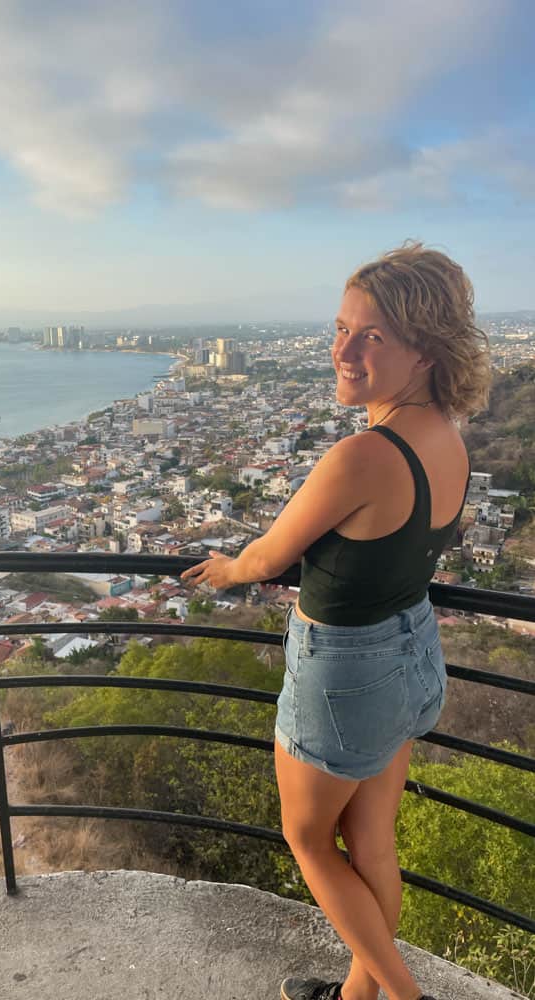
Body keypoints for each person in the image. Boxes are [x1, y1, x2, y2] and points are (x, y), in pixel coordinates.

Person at [181, 242, 491, 1000]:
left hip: (347, 670)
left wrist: (224, 569)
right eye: (342, 327)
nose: (343, 350)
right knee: (372, 846)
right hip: (412, 655)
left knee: (309, 840)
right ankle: (358, 996)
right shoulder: (447, 439)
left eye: (373, 336)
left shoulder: (365, 456)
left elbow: (265, 558)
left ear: (425, 349)